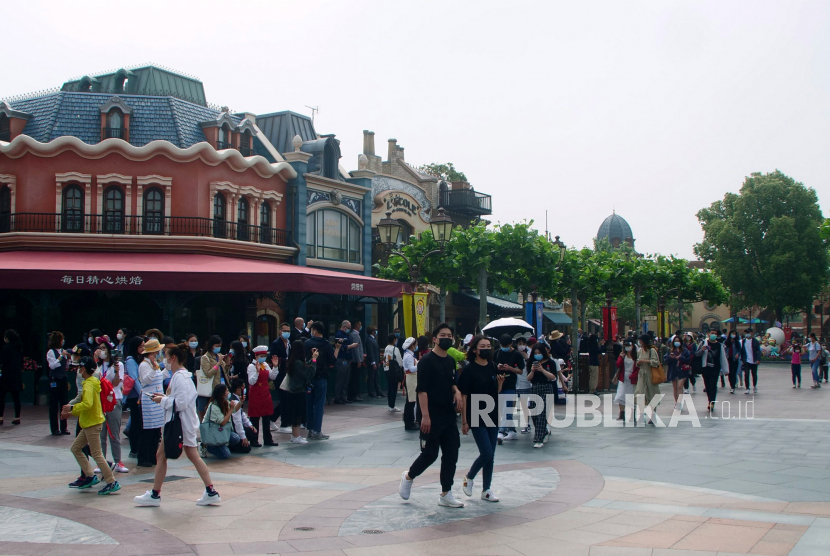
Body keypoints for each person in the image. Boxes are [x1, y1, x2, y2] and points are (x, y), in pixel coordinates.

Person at [134, 343, 221, 507]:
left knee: (185, 455)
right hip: (181, 424)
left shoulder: (180, 377)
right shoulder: (180, 376)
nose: (163, 360)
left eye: (166, 356)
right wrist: (164, 398)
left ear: (173, 358)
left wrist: (162, 400)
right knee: (166, 455)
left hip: (180, 424)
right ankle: (209, 491)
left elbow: (180, 403)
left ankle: (156, 494)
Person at [399, 324, 465, 508]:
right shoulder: (427, 361)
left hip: (448, 413)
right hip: (431, 414)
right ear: (434, 339)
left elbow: (451, 383)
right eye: (443, 335)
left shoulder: (451, 361)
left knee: (451, 453)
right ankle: (408, 476)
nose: (447, 338)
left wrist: (457, 391)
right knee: (430, 454)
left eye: (449, 335)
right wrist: (425, 416)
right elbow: (422, 390)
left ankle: (446, 492)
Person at [63, 356, 120, 494]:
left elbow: (87, 404)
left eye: (79, 368)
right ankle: (90, 475)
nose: (78, 370)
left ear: (83, 369)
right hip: (90, 423)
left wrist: (71, 410)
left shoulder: (89, 384)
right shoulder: (93, 381)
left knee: (96, 454)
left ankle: (111, 481)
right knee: (76, 448)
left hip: (92, 424)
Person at [458, 335, 504, 502]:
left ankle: (486, 489)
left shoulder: (492, 366)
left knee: (491, 455)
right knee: (486, 452)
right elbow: (464, 396)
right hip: (476, 412)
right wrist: (464, 421)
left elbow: (495, 392)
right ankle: (469, 477)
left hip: (491, 411)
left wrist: (500, 385)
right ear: (475, 350)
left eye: (488, 346)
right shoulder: (469, 369)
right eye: (482, 346)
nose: (486, 348)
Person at [97, 340, 128, 474]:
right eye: (100, 348)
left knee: (114, 432)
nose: (101, 350)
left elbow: (116, 383)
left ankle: (118, 461)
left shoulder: (118, 365)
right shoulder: (96, 365)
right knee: (101, 433)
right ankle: (102, 462)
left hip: (114, 399)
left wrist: (116, 372)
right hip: (100, 400)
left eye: (104, 348)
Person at [304, 321, 339, 440]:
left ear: (314, 330)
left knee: (309, 403)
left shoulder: (307, 343)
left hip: (309, 377)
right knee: (319, 404)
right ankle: (317, 430)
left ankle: (309, 429)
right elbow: (332, 361)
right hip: (321, 376)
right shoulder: (327, 344)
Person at [137, 338, 165, 467]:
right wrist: (154, 369)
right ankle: (144, 457)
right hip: (148, 399)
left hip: (156, 397)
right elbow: (146, 380)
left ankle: (153, 455)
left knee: (156, 430)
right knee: (147, 430)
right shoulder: (144, 365)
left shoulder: (155, 363)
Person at [246, 345, 279, 447]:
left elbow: (272, 376)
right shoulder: (251, 366)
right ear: (256, 356)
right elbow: (251, 381)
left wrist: (275, 367)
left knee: (266, 417)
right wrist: (256, 371)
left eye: (264, 355)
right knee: (255, 418)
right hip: (255, 393)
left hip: (265, 393)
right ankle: (253, 439)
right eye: (261, 355)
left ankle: (268, 439)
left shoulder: (265, 365)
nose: (263, 358)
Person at [282, 340, 314, 444]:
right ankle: (296, 436)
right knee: (297, 414)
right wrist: (314, 361)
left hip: (293, 391)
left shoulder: (293, 361)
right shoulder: (297, 363)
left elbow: (304, 367)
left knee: (295, 414)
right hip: (298, 391)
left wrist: (311, 359)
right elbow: (308, 373)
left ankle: (295, 436)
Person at [527, 343, 559, 448]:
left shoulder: (551, 362)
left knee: (542, 413)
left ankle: (538, 439)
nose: (537, 355)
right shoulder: (531, 363)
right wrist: (532, 370)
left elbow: (553, 377)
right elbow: (529, 378)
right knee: (534, 412)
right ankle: (544, 431)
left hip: (546, 388)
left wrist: (542, 370)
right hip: (535, 388)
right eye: (535, 353)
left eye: (539, 353)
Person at [494, 334, 524, 445]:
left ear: (511, 344)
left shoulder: (516, 355)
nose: (504, 347)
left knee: (507, 408)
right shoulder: (497, 353)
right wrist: (498, 367)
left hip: (510, 384)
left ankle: (501, 432)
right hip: (498, 383)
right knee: (503, 409)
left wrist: (509, 368)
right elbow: (492, 365)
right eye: (502, 345)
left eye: (506, 345)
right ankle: (512, 430)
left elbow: (520, 371)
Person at [202, 384, 242, 459]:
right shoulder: (213, 406)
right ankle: (209, 446)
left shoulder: (225, 402)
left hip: (221, 431)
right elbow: (223, 422)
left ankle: (221, 444)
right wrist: (230, 409)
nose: (228, 392)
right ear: (222, 394)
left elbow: (234, 410)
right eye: (226, 391)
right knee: (225, 455)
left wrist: (240, 402)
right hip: (212, 432)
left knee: (236, 438)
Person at [269, 323, 292, 434]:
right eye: (285, 330)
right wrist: (286, 361)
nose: (287, 333)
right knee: (284, 398)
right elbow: (273, 358)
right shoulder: (275, 344)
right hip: (279, 374)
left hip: (286, 373)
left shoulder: (289, 344)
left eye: (288, 331)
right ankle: (284, 423)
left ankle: (272, 418)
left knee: (286, 399)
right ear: (280, 331)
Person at [197, 336, 227, 421]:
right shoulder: (205, 358)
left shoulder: (219, 356)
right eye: (216, 346)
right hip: (210, 388)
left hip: (221, 386)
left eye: (219, 346)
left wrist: (227, 362)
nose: (218, 348)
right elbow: (208, 373)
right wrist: (218, 363)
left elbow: (224, 372)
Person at [46, 331, 71, 435]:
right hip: (55, 378)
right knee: (54, 404)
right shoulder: (51, 352)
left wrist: (68, 359)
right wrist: (61, 357)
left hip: (63, 378)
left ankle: (64, 427)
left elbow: (66, 366)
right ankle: (55, 428)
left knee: (64, 403)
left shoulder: (62, 351)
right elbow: (52, 365)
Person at [123, 337, 144, 459]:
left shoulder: (140, 359)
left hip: (139, 394)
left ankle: (137, 447)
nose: (142, 349)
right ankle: (134, 449)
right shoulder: (131, 360)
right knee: (136, 422)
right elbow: (133, 378)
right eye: (140, 346)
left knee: (139, 421)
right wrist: (142, 392)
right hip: (134, 396)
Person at [635, 334, 662, 423]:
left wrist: (645, 361)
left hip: (650, 374)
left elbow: (656, 362)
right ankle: (642, 415)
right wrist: (638, 363)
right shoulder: (640, 351)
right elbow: (637, 363)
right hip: (642, 374)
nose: (639, 342)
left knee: (652, 394)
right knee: (640, 394)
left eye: (640, 341)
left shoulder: (652, 350)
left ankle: (652, 415)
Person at [699, 330, 728, 412]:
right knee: (707, 385)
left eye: (715, 333)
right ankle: (709, 400)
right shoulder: (703, 343)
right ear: (708, 334)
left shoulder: (719, 345)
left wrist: (725, 370)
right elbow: (696, 354)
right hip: (705, 367)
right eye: (712, 333)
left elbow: (723, 358)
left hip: (715, 368)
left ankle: (712, 402)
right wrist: (702, 350)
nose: (713, 335)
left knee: (713, 385)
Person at [0, 329, 23, 425]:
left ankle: (0, 417)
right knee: (16, 397)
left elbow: (3, 361)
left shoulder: (5, 348)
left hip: (6, 375)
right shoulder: (18, 348)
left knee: (1, 396)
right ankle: (17, 417)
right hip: (16, 375)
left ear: (7, 338)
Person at [614, 339, 638, 421]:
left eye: (629, 346)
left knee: (632, 396)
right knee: (621, 395)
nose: (628, 348)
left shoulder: (636, 356)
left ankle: (633, 414)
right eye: (626, 346)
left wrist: (633, 376)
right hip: (623, 378)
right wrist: (621, 357)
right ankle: (622, 413)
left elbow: (638, 368)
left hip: (633, 378)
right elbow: (618, 365)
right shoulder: (623, 355)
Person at [664, 336, 691, 409]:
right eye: (675, 341)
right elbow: (666, 360)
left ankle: (679, 402)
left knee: (680, 386)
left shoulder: (685, 350)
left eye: (678, 341)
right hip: (673, 370)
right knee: (675, 387)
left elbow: (688, 359)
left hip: (682, 371)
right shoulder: (670, 350)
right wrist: (670, 357)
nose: (677, 342)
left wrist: (680, 358)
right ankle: (677, 402)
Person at [228, 379, 253, 454]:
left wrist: (250, 425)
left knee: (251, 431)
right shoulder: (234, 401)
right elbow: (237, 421)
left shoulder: (238, 399)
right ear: (238, 390)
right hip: (232, 429)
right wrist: (243, 437)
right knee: (247, 449)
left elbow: (243, 415)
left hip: (236, 428)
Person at [333, 321, 354, 404]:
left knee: (346, 379)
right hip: (341, 359)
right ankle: (337, 397)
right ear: (344, 327)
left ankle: (343, 396)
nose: (349, 330)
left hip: (347, 359)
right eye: (348, 328)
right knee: (340, 379)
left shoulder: (346, 335)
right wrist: (351, 346)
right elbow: (341, 347)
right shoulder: (339, 335)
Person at [514, 336, 532, 433]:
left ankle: (527, 424)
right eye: (519, 344)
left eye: (523, 344)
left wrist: (527, 358)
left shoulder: (529, 353)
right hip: (515, 383)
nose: (521, 346)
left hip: (526, 382)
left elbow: (532, 365)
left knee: (525, 405)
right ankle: (509, 426)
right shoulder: (514, 354)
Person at [402, 337, 420, 431]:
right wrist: (420, 364)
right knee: (410, 401)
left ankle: (410, 421)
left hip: (412, 379)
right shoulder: (408, 356)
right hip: (410, 378)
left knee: (411, 401)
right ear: (412, 345)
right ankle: (409, 422)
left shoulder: (409, 354)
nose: (416, 346)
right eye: (415, 344)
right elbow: (411, 369)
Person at [383, 333, 403, 412]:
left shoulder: (386, 348)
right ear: (394, 340)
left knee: (390, 387)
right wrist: (401, 366)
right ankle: (392, 405)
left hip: (387, 369)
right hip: (394, 370)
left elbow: (385, 359)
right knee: (394, 388)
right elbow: (400, 361)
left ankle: (390, 404)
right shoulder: (395, 349)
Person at [348, 320, 365, 402]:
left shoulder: (355, 334)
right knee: (355, 379)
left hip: (355, 360)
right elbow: (356, 349)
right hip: (355, 360)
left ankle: (354, 394)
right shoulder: (355, 335)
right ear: (357, 325)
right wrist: (358, 360)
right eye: (360, 325)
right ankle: (353, 395)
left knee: (356, 378)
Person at [740, 328, 761, 393]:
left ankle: (754, 386)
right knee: (746, 374)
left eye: (749, 332)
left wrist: (758, 359)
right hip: (746, 360)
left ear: (752, 333)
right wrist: (742, 359)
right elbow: (742, 351)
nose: (747, 334)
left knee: (754, 374)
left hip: (754, 360)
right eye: (746, 333)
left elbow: (758, 351)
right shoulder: (743, 341)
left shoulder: (755, 341)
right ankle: (747, 388)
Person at [365, 326, 381, 398]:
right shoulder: (369, 340)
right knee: (371, 377)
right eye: (375, 330)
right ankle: (371, 392)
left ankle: (378, 391)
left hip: (376, 361)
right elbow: (370, 352)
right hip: (373, 362)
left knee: (376, 377)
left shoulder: (374, 339)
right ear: (372, 331)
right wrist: (373, 362)